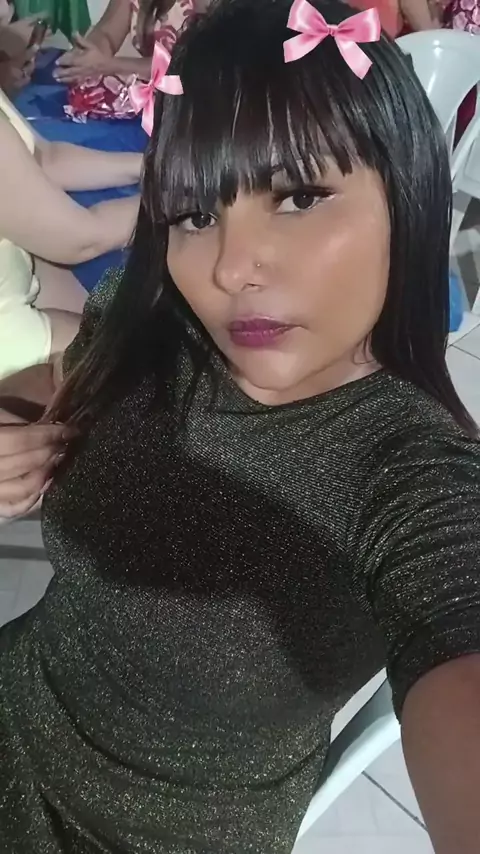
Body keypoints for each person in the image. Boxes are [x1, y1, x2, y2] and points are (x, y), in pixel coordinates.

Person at [1, 0, 480, 851]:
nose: (228, 266)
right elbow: (72, 400)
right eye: (196, 214)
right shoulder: (152, 332)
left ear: (405, 192)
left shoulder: (409, 472)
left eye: (298, 195)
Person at [0, 87, 141, 381]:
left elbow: (44, 159)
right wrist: (176, 194)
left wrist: (149, 166)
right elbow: (81, 239)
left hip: (14, 266)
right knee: (138, 367)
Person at [54, 0, 209, 84]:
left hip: (199, 109)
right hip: (151, 102)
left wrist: (110, 65)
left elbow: (196, 64)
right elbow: (107, 33)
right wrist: (88, 56)